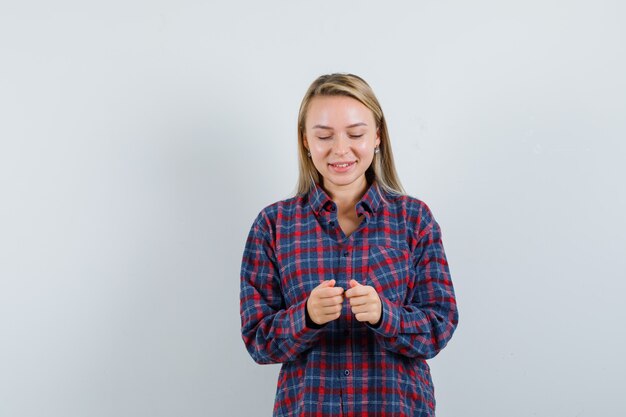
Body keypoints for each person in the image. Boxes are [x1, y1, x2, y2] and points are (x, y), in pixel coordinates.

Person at [240, 73, 458, 417]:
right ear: (306, 141)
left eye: (355, 134)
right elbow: (258, 340)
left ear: (377, 136)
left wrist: (387, 315)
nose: (340, 149)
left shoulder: (414, 219)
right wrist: (306, 317)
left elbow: (439, 326)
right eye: (324, 135)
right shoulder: (273, 225)